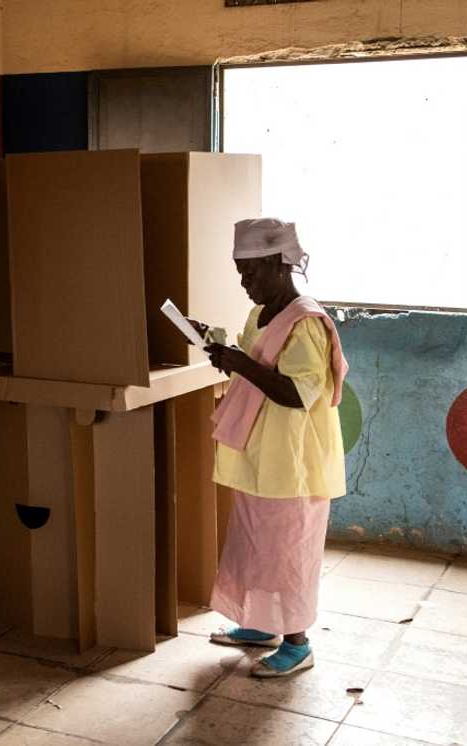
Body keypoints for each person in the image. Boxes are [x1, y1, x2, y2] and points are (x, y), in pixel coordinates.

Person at [188, 217, 348, 678]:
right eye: (240, 273)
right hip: (258, 451)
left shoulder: (307, 322)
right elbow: (252, 364)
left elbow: (299, 393)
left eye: (252, 273)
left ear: (281, 265)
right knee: (254, 543)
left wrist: (241, 363)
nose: (245, 283)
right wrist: (219, 348)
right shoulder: (260, 315)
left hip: (292, 459)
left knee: (286, 550)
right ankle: (261, 625)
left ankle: (298, 644)